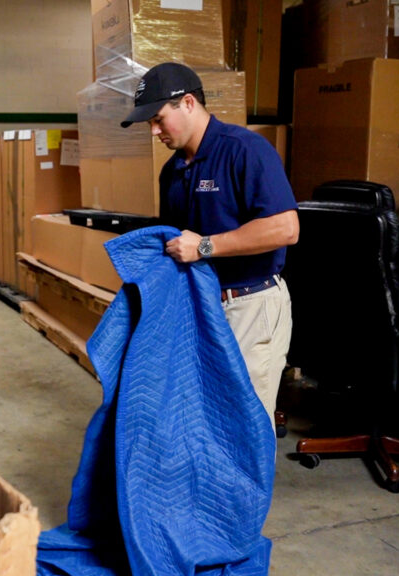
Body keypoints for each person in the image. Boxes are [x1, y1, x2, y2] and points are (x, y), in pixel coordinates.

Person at [121, 62, 299, 429]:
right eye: (150, 123)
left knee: (244, 428)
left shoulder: (244, 149)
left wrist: (205, 246)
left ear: (188, 103)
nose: (154, 131)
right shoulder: (172, 172)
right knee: (202, 425)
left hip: (250, 305)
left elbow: (285, 229)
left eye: (158, 119)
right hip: (200, 309)